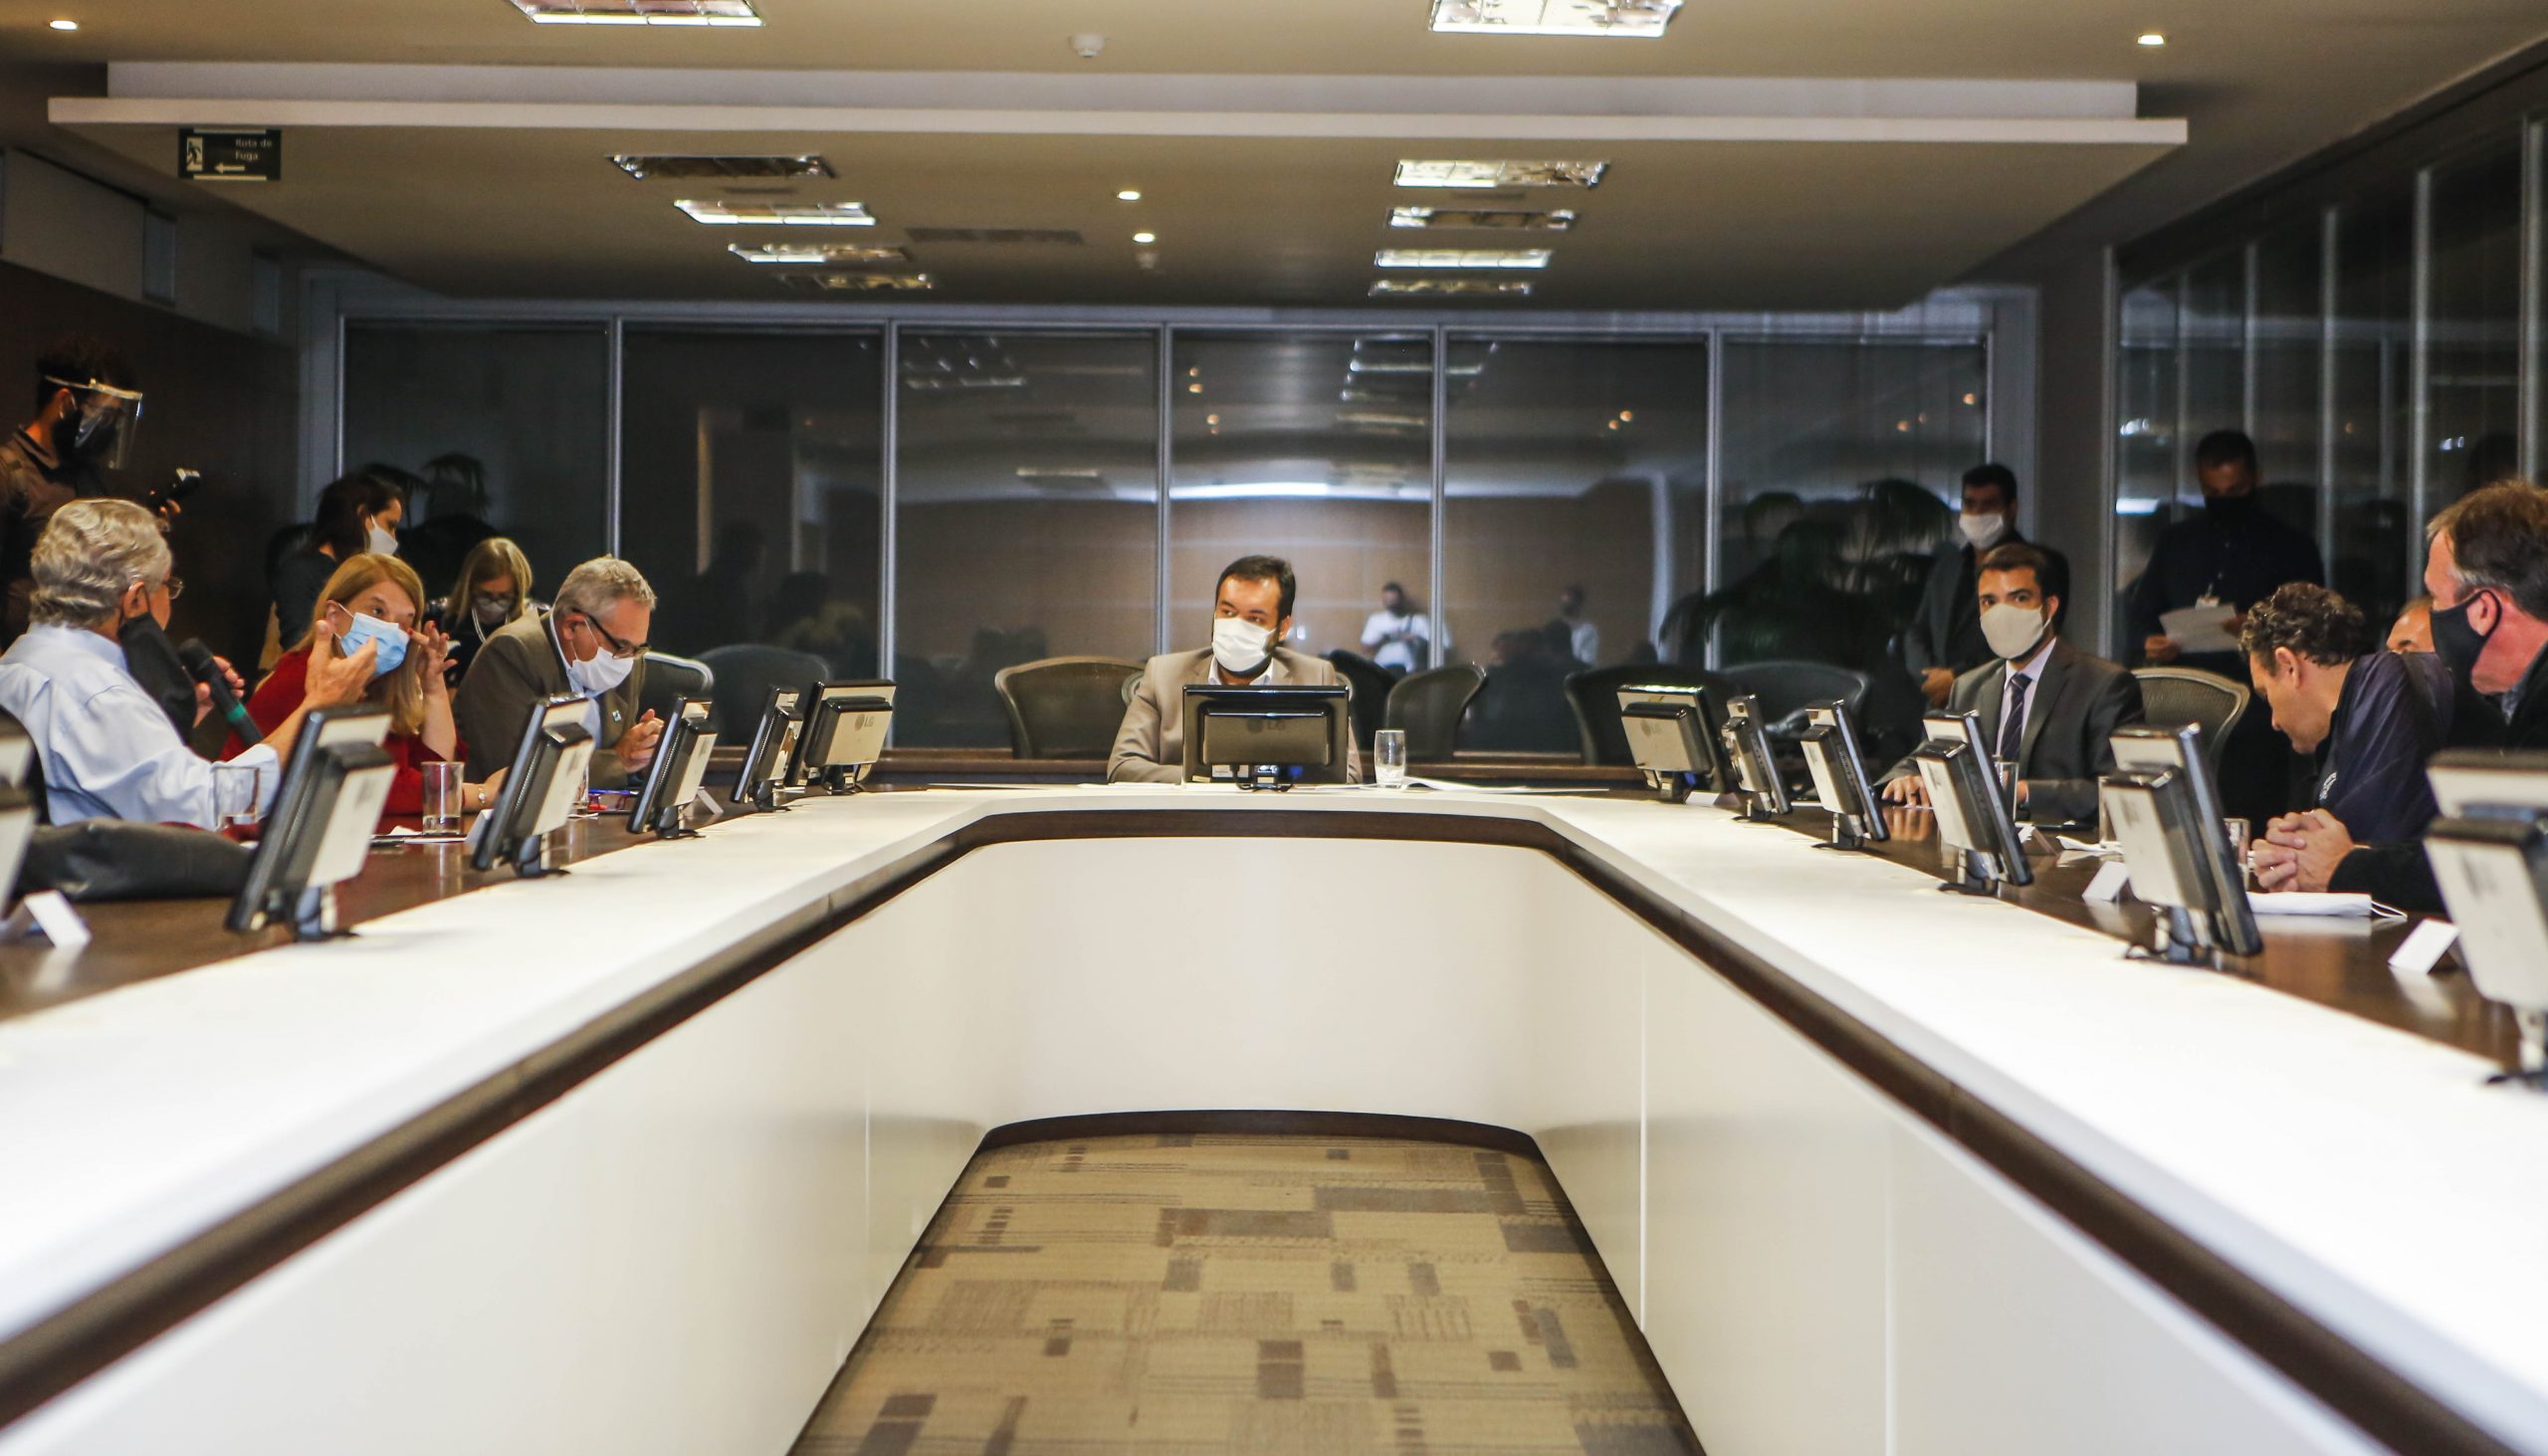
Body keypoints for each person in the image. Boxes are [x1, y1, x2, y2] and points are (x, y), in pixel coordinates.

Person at [2256, 481, 2548, 906]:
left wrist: (2346, 867)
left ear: (2483, 611)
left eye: (2435, 598)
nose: (2429, 617)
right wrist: (2339, 856)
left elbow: (2514, 868)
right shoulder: (2519, 702)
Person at [0, 500, 375, 827]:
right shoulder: (100, 694)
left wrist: (166, 723)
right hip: (108, 904)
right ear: (135, 602)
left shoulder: (19, 662)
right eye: (168, 585)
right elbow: (206, 807)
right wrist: (317, 707)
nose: (171, 599)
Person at [1880, 542, 2143, 826]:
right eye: (1989, 602)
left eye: (2018, 598)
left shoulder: (2104, 684)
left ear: (2049, 607)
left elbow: (2118, 792)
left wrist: (2020, 791)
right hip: (1980, 850)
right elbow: (1925, 757)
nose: (2001, 613)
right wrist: (1902, 780)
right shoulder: (1968, 687)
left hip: (2064, 855)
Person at [232, 552, 502, 824]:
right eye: (378, 612)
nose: (391, 629)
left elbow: (435, 772)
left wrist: (433, 686)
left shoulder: (379, 687)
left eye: (405, 622)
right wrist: (483, 794)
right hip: (250, 844)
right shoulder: (303, 676)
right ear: (335, 616)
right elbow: (377, 788)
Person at [1110, 554, 1361, 784]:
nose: (1236, 627)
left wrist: (1255, 779)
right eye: (1227, 612)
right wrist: (1217, 778)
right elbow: (1123, 767)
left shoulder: (1315, 676)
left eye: (1254, 619)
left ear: (1282, 628)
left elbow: (1348, 775)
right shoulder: (1163, 674)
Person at [2239, 583, 2449, 847]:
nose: (2274, 722)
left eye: (2265, 694)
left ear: (2289, 666)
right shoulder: (2349, 721)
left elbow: (2378, 842)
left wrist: (2308, 855)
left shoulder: (2389, 680)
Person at [454, 555, 663, 788]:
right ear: (571, 626)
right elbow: (516, 773)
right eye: (622, 646)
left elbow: (622, 756)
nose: (629, 659)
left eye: (638, 648)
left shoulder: (629, 659)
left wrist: (643, 752)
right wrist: (619, 760)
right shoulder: (512, 653)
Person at [2130, 431, 2325, 672]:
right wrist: (2148, 641)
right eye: (2212, 493)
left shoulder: (2292, 547)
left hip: (2262, 685)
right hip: (2185, 683)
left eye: (2235, 491)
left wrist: (2262, 627)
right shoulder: (2176, 542)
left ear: (2256, 479)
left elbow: (2314, 625)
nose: (2224, 501)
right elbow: (2141, 615)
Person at [0, 337, 147, 642]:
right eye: (104, 414)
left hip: (74, 659)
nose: (109, 428)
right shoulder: (9, 475)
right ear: (65, 402)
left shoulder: (88, 477)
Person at [1902, 464, 2071, 709]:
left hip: (2008, 702)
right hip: (1939, 705)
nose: (1978, 513)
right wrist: (1931, 678)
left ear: (2011, 509)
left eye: (1988, 505)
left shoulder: (2042, 565)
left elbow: (2036, 634)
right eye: (1970, 504)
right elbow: (1918, 631)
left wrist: (1958, 677)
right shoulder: (1948, 567)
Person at [273, 471, 405, 642]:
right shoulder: (300, 572)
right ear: (363, 515)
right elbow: (298, 645)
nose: (393, 537)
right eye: (390, 525)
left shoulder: (367, 574)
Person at [428, 535, 536, 685]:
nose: (494, 603)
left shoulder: (537, 621)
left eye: (504, 596)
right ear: (470, 587)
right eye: (485, 595)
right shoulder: (440, 617)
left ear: (518, 592)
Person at [1359, 582, 1430, 675]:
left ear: (1402, 600)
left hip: (1410, 672)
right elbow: (1365, 649)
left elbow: (1437, 649)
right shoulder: (1376, 620)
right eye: (1387, 600)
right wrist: (1386, 638)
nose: (1391, 604)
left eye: (1394, 600)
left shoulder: (1419, 621)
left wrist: (1415, 638)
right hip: (1381, 670)